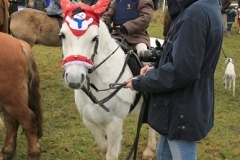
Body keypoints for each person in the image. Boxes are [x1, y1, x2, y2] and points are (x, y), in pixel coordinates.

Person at [124, 0, 223, 159]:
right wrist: (157, 68)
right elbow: (186, 59)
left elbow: (181, 71)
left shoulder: (193, 15)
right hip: (184, 104)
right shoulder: (206, 6)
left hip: (181, 109)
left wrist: (141, 82)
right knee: (162, 154)